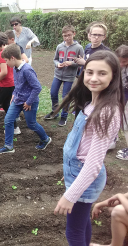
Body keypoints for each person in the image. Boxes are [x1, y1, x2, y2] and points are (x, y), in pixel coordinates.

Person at [53, 51, 124, 246]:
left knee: (73, 232)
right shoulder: (92, 104)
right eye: (89, 72)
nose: (93, 78)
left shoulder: (107, 111)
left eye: (102, 73)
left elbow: (93, 163)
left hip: (86, 177)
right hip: (78, 173)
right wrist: (69, 172)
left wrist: (70, 195)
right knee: (82, 223)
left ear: (113, 77)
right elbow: (83, 149)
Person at [0, 44, 51, 154]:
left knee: (31, 124)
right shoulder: (15, 68)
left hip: (29, 102)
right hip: (18, 100)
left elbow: (37, 87)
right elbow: (17, 84)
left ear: (12, 58)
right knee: (8, 120)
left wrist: (29, 102)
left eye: (6, 60)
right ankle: (8, 146)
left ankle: (45, 139)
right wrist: (14, 95)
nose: (5, 63)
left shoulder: (27, 70)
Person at [44, 25, 84, 126]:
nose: (67, 38)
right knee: (53, 93)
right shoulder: (59, 46)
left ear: (74, 34)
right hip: (57, 75)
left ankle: (64, 116)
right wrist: (57, 64)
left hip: (69, 77)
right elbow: (55, 59)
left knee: (66, 97)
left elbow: (81, 62)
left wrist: (71, 63)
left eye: (69, 35)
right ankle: (55, 112)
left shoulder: (79, 48)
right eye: (64, 36)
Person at [115, 45, 128, 159]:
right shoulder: (115, 64)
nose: (121, 64)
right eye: (119, 61)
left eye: (124, 61)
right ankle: (114, 135)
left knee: (126, 122)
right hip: (122, 91)